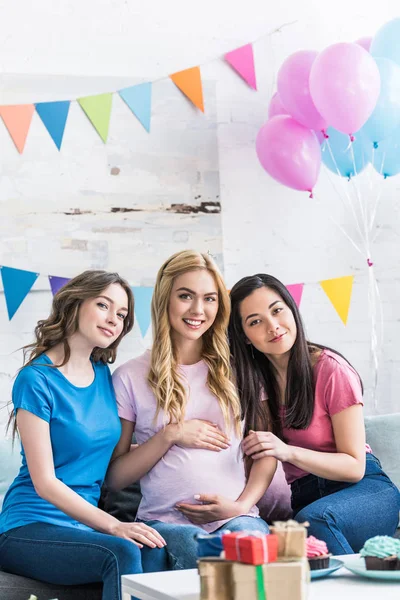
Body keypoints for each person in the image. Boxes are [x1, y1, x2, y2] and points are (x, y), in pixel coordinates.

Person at [0, 271, 165, 600]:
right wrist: (114, 525)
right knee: (121, 552)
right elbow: (45, 482)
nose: (113, 319)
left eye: (121, 314)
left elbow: (105, 449)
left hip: (82, 528)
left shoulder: (105, 375)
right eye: (104, 305)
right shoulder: (36, 379)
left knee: (154, 549)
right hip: (29, 525)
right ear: (75, 303)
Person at [106, 251, 273, 571]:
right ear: (165, 299)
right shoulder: (129, 376)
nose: (198, 310)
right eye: (186, 296)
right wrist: (171, 434)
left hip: (237, 517)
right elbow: (115, 477)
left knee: (248, 544)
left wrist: (239, 506)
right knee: (192, 546)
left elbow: (265, 453)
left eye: (209, 298)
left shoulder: (241, 370)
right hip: (163, 521)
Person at [228, 273, 400, 555]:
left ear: (291, 309)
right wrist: (242, 507)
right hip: (307, 498)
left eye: (277, 310)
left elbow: (355, 466)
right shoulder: (257, 383)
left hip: (365, 491)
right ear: (244, 337)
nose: (273, 326)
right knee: (297, 532)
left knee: (313, 522)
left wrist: (289, 452)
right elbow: (266, 453)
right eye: (255, 321)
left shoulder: (331, 370)